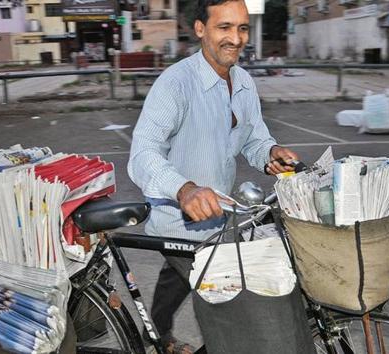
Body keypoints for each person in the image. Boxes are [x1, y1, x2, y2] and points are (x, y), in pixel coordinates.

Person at [127, 1, 299, 353]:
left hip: (221, 216)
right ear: (201, 29)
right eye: (224, 27)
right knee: (226, 307)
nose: (235, 38)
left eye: (242, 28)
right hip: (179, 220)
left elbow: (254, 137)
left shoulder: (244, 82)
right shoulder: (175, 84)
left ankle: (155, 336)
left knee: (177, 278)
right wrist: (184, 189)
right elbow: (142, 153)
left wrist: (270, 154)